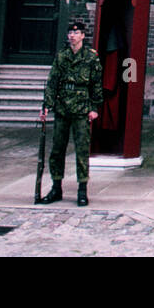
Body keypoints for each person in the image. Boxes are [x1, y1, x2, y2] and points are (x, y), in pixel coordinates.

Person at [39, 21, 103, 207]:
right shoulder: (62, 57)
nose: (72, 36)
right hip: (63, 107)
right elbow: (52, 82)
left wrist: (94, 108)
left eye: (76, 33)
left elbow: (96, 84)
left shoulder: (91, 58)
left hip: (82, 108)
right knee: (57, 149)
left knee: (82, 149)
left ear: (83, 36)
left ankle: (82, 189)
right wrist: (47, 105)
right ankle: (56, 187)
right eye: (70, 33)